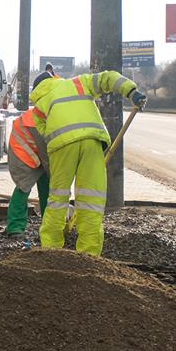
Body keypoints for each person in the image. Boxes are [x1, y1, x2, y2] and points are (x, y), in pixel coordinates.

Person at [30, 69, 147, 256]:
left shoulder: (37, 109)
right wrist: (132, 92)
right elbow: (108, 78)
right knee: (91, 200)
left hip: (61, 146)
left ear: (35, 90)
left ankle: (51, 252)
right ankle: (89, 256)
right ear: (55, 79)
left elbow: (45, 135)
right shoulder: (77, 83)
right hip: (92, 141)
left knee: (57, 199)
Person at [6, 107, 50, 238]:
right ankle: (15, 227)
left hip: (33, 151)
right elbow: (46, 155)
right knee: (23, 187)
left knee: (47, 187)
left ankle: (48, 224)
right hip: (25, 154)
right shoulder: (39, 121)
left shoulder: (43, 113)